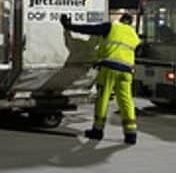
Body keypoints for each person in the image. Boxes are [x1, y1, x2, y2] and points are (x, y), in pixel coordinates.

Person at [60, 12, 140, 144]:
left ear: (121, 20)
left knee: (103, 98)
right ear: (130, 23)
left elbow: (90, 29)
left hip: (109, 68)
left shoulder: (112, 27)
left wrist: (69, 26)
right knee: (126, 101)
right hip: (126, 72)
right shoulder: (134, 36)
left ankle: (97, 130)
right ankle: (131, 134)